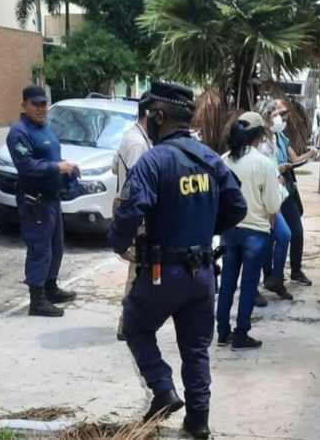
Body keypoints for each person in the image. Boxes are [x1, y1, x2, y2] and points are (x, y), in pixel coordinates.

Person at [108, 82, 247, 439]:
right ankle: (198, 422)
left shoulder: (154, 161)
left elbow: (130, 212)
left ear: (158, 117)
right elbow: (237, 207)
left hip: (160, 273)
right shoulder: (211, 159)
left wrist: (117, 242)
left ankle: (162, 389)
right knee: (196, 349)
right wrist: (202, 231)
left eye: (151, 116)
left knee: (135, 326)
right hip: (202, 274)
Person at [7, 84, 79, 317]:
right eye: (35, 104)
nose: (41, 109)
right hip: (34, 201)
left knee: (56, 246)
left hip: (52, 199)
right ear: (24, 105)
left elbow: (51, 157)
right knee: (40, 249)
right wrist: (56, 167)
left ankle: (51, 287)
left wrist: (67, 167)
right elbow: (26, 166)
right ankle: (36, 300)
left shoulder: (45, 129)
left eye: (43, 104)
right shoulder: (19, 133)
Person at [217, 112, 283, 351]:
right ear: (259, 136)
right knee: (248, 285)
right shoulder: (264, 164)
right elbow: (273, 205)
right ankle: (241, 334)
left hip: (229, 229)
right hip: (255, 230)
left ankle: (222, 332)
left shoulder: (223, 160)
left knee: (227, 282)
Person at [256, 98, 318, 296]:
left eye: (282, 114)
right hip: (269, 195)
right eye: (277, 115)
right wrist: (277, 172)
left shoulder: (278, 138)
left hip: (285, 191)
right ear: (265, 118)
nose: (282, 118)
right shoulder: (260, 142)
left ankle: (282, 275)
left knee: (292, 232)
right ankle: (270, 277)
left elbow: (293, 160)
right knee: (272, 237)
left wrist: (310, 155)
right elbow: (262, 171)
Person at [111, 92, 152, 341]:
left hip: (128, 211)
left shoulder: (131, 136)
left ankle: (133, 321)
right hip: (136, 217)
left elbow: (115, 166)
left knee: (140, 270)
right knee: (136, 272)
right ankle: (126, 324)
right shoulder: (138, 143)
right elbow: (138, 187)